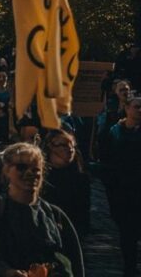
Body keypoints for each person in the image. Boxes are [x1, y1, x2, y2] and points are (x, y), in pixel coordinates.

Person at [0, 142, 84, 277]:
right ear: (6, 170)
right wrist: (7, 272)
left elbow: (74, 263)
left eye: (36, 169)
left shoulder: (55, 215)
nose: (30, 173)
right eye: (21, 167)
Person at [100, 94, 141, 277]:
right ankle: (129, 267)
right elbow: (107, 157)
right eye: (136, 107)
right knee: (127, 232)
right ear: (127, 108)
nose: (139, 110)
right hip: (123, 189)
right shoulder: (115, 131)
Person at [41, 129, 91, 239]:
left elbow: (83, 211)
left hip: (72, 232)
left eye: (72, 145)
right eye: (63, 145)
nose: (70, 149)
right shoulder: (40, 177)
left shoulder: (81, 178)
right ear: (50, 147)